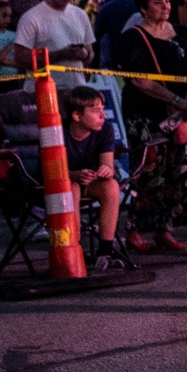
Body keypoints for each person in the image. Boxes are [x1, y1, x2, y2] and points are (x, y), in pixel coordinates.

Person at [117, 0, 187, 254]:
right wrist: (176, 100)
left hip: (178, 115)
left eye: (167, 1)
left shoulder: (183, 34)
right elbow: (141, 81)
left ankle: (165, 228)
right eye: (157, 2)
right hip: (145, 115)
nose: (165, 7)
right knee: (149, 170)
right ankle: (135, 229)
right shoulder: (133, 38)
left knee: (176, 170)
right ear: (143, 7)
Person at [61, 86, 130, 273]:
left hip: (88, 182)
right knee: (72, 186)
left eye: (103, 109)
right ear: (77, 116)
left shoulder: (105, 130)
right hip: (57, 185)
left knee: (111, 186)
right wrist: (74, 175)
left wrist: (105, 170)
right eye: (95, 110)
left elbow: (107, 163)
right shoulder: (58, 131)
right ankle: (73, 250)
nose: (103, 115)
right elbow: (51, 171)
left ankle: (105, 252)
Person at [15, 0, 95, 91]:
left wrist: (84, 55)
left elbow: (90, 53)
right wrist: (60, 54)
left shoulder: (81, 15)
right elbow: (20, 58)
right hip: (42, 93)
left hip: (75, 91)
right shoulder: (31, 18)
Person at [94, 0, 140, 66]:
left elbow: (97, 35)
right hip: (135, 60)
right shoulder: (140, 9)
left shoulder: (107, 8)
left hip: (112, 61)